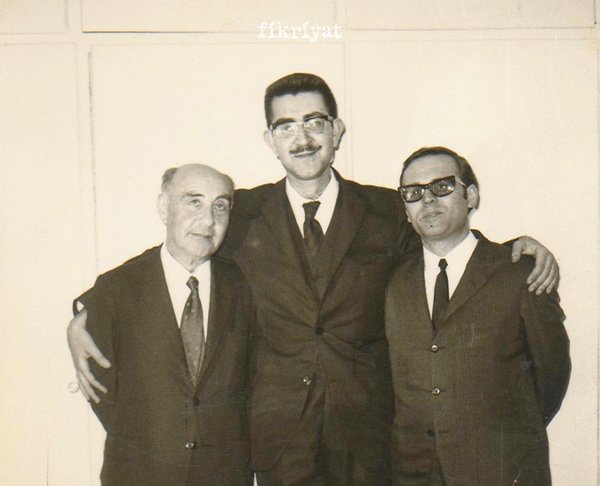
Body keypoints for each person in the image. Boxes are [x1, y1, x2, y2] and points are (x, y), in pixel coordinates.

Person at [68, 73, 559, 485]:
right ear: (270, 140)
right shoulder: (239, 213)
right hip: (278, 441)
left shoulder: (387, 209)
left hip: (370, 441)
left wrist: (514, 250)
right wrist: (85, 310)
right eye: (285, 126)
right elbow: (178, 251)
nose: (301, 138)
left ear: (336, 130)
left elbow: (447, 248)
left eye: (314, 122)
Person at [385, 147, 570, 485]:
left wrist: (504, 436)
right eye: (413, 193)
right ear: (406, 211)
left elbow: (552, 374)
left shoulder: (519, 275)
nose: (427, 200)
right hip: (415, 474)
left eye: (441, 186)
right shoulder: (393, 283)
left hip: (500, 470)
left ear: (470, 196)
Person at [78, 164, 254, 485]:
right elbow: (100, 389)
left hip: (224, 475)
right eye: (194, 202)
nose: (208, 220)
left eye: (220, 206)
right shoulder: (117, 288)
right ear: (164, 208)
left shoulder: (244, 286)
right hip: (139, 474)